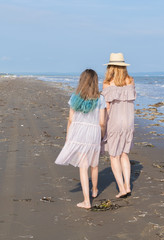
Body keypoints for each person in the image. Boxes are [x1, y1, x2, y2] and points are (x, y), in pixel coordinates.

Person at [55, 69, 106, 209]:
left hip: (78, 132)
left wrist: (68, 136)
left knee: (83, 167)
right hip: (94, 132)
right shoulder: (100, 98)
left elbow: (71, 119)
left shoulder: (75, 97)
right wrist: (101, 136)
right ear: (95, 82)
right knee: (94, 163)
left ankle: (86, 201)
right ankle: (94, 190)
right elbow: (102, 122)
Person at [101, 53, 136, 198]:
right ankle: (127, 186)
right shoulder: (130, 81)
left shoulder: (108, 83)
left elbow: (107, 107)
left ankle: (121, 188)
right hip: (129, 121)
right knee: (124, 154)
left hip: (114, 121)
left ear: (110, 67)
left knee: (114, 156)